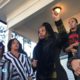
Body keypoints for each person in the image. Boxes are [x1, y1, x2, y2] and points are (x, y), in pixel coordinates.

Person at [51, 9, 80, 80]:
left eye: (72, 21)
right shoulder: (67, 35)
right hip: (73, 61)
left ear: (77, 23)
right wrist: (58, 21)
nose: (70, 23)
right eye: (69, 22)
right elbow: (65, 47)